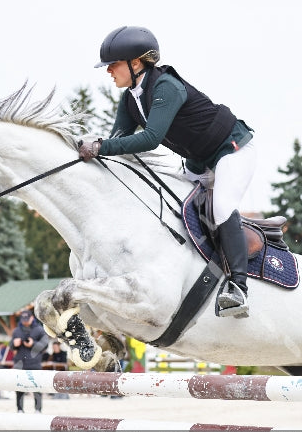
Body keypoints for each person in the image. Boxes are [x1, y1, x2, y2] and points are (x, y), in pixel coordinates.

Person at [79, 25, 257, 317]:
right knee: (172, 202)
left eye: (113, 64)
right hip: (199, 163)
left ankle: (238, 288)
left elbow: (150, 139)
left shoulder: (166, 87)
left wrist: (99, 147)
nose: (108, 71)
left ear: (135, 63)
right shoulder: (130, 99)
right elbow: (118, 140)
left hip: (232, 149)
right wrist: (88, 149)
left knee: (222, 206)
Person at [11, 310, 49, 412]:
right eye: (23, 320)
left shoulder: (40, 330)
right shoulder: (16, 331)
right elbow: (11, 346)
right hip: (19, 363)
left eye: (27, 319)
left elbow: (45, 345)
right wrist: (14, 344)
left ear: (32, 318)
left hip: (35, 363)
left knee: (37, 387)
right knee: (18, 388)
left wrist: (33, 344)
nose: (25, 321)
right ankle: (19, 409)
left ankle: (38, 409)